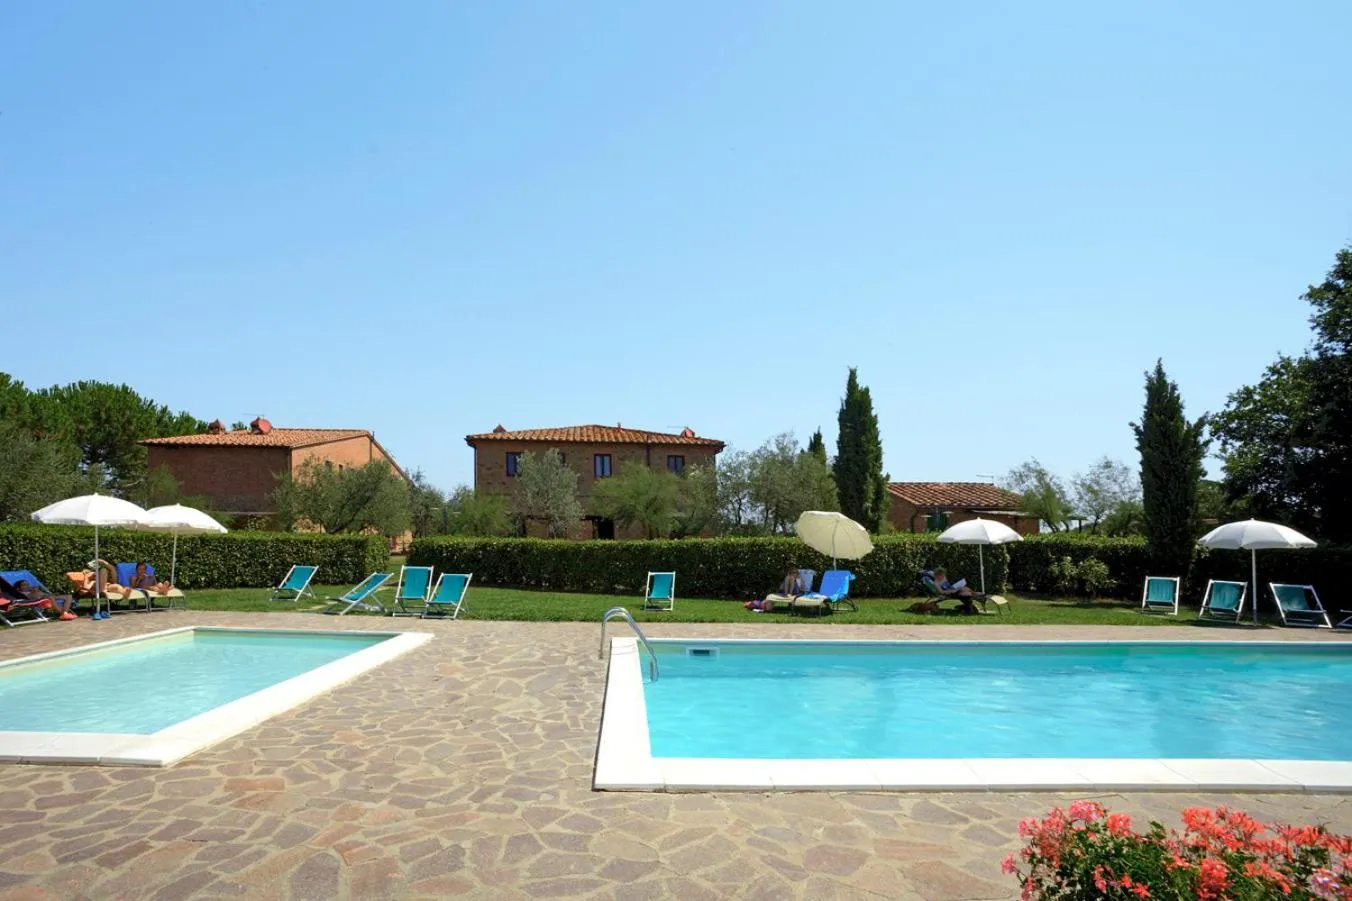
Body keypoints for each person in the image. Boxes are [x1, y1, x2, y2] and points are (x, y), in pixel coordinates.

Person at [12, 579, 78, 620]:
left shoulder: (31, 590)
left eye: (27, 584)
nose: (27, 586)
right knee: (50, 597)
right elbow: (30, 598)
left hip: (46, 597)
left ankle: (64, 613)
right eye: (24, 585)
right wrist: (34, 592)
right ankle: (64, 614)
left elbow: (42, 593)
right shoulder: (21, 593)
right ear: (18, 588)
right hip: (40, 601)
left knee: (69, 596)